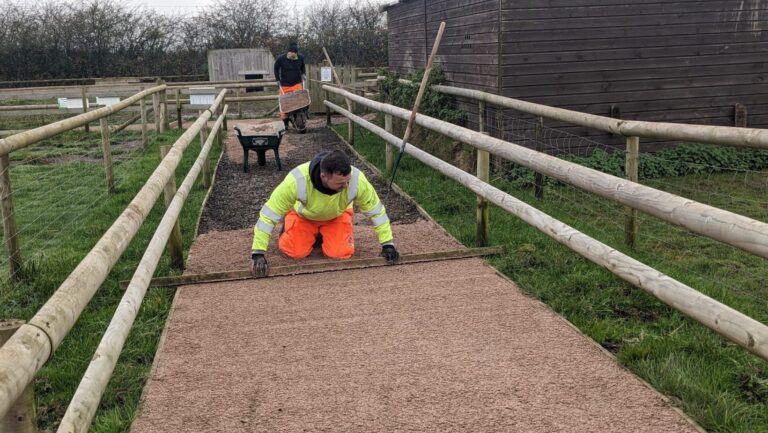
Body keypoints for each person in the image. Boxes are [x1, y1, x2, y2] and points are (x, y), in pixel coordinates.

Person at [251, 150, 399, 277]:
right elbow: (268, 216)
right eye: (340, 184)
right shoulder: (296, 180)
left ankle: (323, 235)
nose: (346, 186)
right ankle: (290, 228)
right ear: (324, 176)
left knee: (340, 254)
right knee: (294, 252)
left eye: (347, 181)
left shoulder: (357, 179)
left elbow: (377, 212)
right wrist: (258, 252)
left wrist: (388, 244)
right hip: (304, 217)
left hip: (337, 216)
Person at [273, 41, 306, 129]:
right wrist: (277, 79)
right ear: (289, 52)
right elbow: (276, 68)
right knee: (284, 105)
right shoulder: (281, 59)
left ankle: (297, 118)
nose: (294, 56)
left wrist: (303, 73)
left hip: (296, 84)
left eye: (295, 55)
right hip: (285, 85)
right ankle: (285, 122)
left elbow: (303, 66)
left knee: (298, 103)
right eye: (292, 55)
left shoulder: (300, 58)